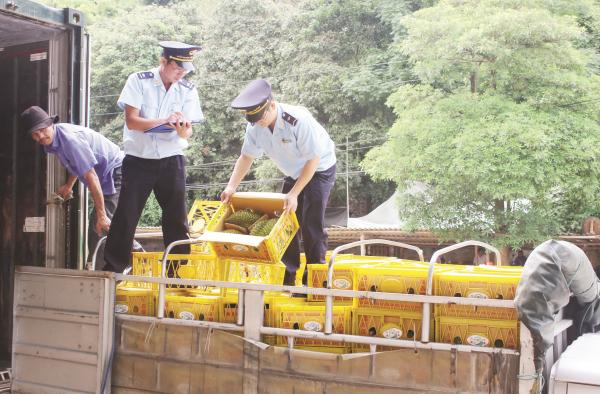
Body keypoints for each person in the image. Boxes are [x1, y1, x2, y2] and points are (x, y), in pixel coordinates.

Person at [222, 79, 336, 286]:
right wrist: (231, 186)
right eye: (253, 119)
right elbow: (246, 157)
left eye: (260, 117)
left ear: (272, 105)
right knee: (285, 224)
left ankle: (315, 280)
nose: (258, 123)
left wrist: (293, 194)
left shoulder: (299, 120)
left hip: (319, 170)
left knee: (311, 224)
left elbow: (313, 159)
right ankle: (288, 277)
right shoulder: (256, 126)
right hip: (293, 173)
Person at [103, 41, 204, 273]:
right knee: (126, 215)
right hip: (139, 159)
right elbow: (132, 120)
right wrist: (164, 121)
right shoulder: (139, 81)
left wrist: (181, 129)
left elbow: (188, 130)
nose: (181, 73)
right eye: (177, 68)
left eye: (185, 69)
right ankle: (113, 268)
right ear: (163, 61)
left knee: (177, 217)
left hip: (172, 158)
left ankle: (176, 270)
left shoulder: (188, 90)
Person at [20, 106, 126, 264]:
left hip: (116, 171)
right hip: (105, 174)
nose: (40, 136)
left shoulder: (70, 140)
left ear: (50, 124)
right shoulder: (55, 140)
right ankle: (127, 254)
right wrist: (69, 185)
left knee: (100, 226)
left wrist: (102, 215)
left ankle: (100, 275)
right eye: (35, 134)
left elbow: (91, 176)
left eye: (42, 130)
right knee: (102, 225)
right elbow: (77, 164)